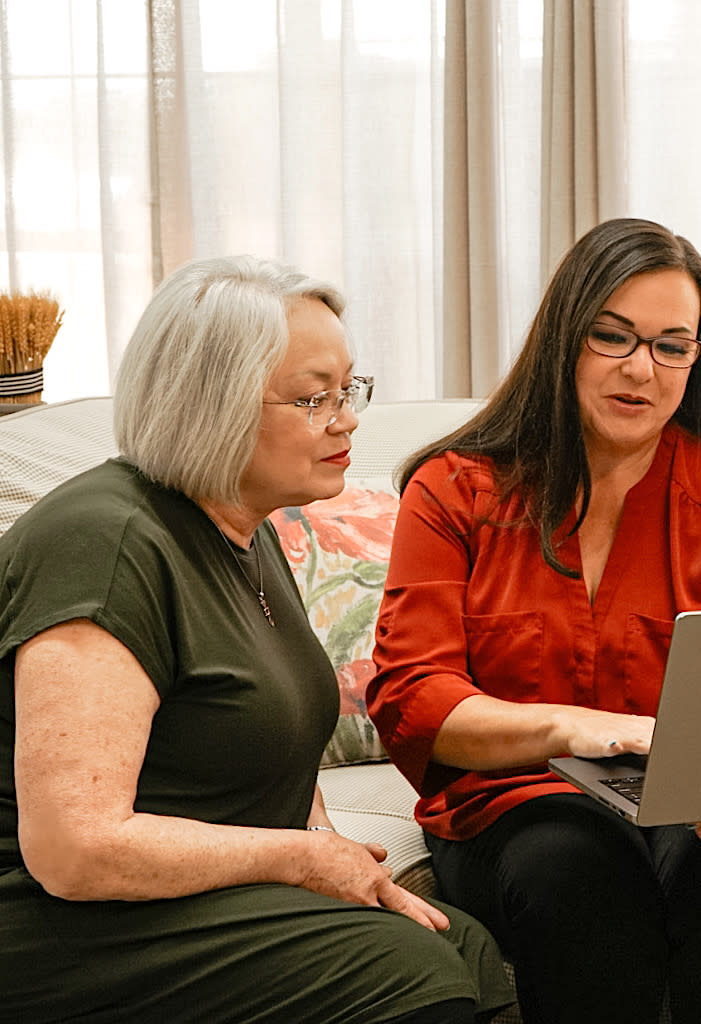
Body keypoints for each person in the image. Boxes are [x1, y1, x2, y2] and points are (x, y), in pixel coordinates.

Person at [0, 256, 513, 1024]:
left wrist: (333, 853)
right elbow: (75, 850)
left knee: (464, 947)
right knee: (409, 974)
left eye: (349, 390)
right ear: (212, 404)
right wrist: (302, 859)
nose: (347, 419)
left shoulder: (243, 524)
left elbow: (269, 731)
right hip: (72, 921)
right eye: (315, 399)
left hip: (196, 896)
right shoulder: (104, 545)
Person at [367, 217, 701, 1024]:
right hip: (519, 800)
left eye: (669, 346)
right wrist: (572, 729)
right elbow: (415, 698)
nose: (639, 370)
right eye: (612, 337)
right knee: (571, 865)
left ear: (698, 359)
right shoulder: (453, 489)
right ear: (565, 338)